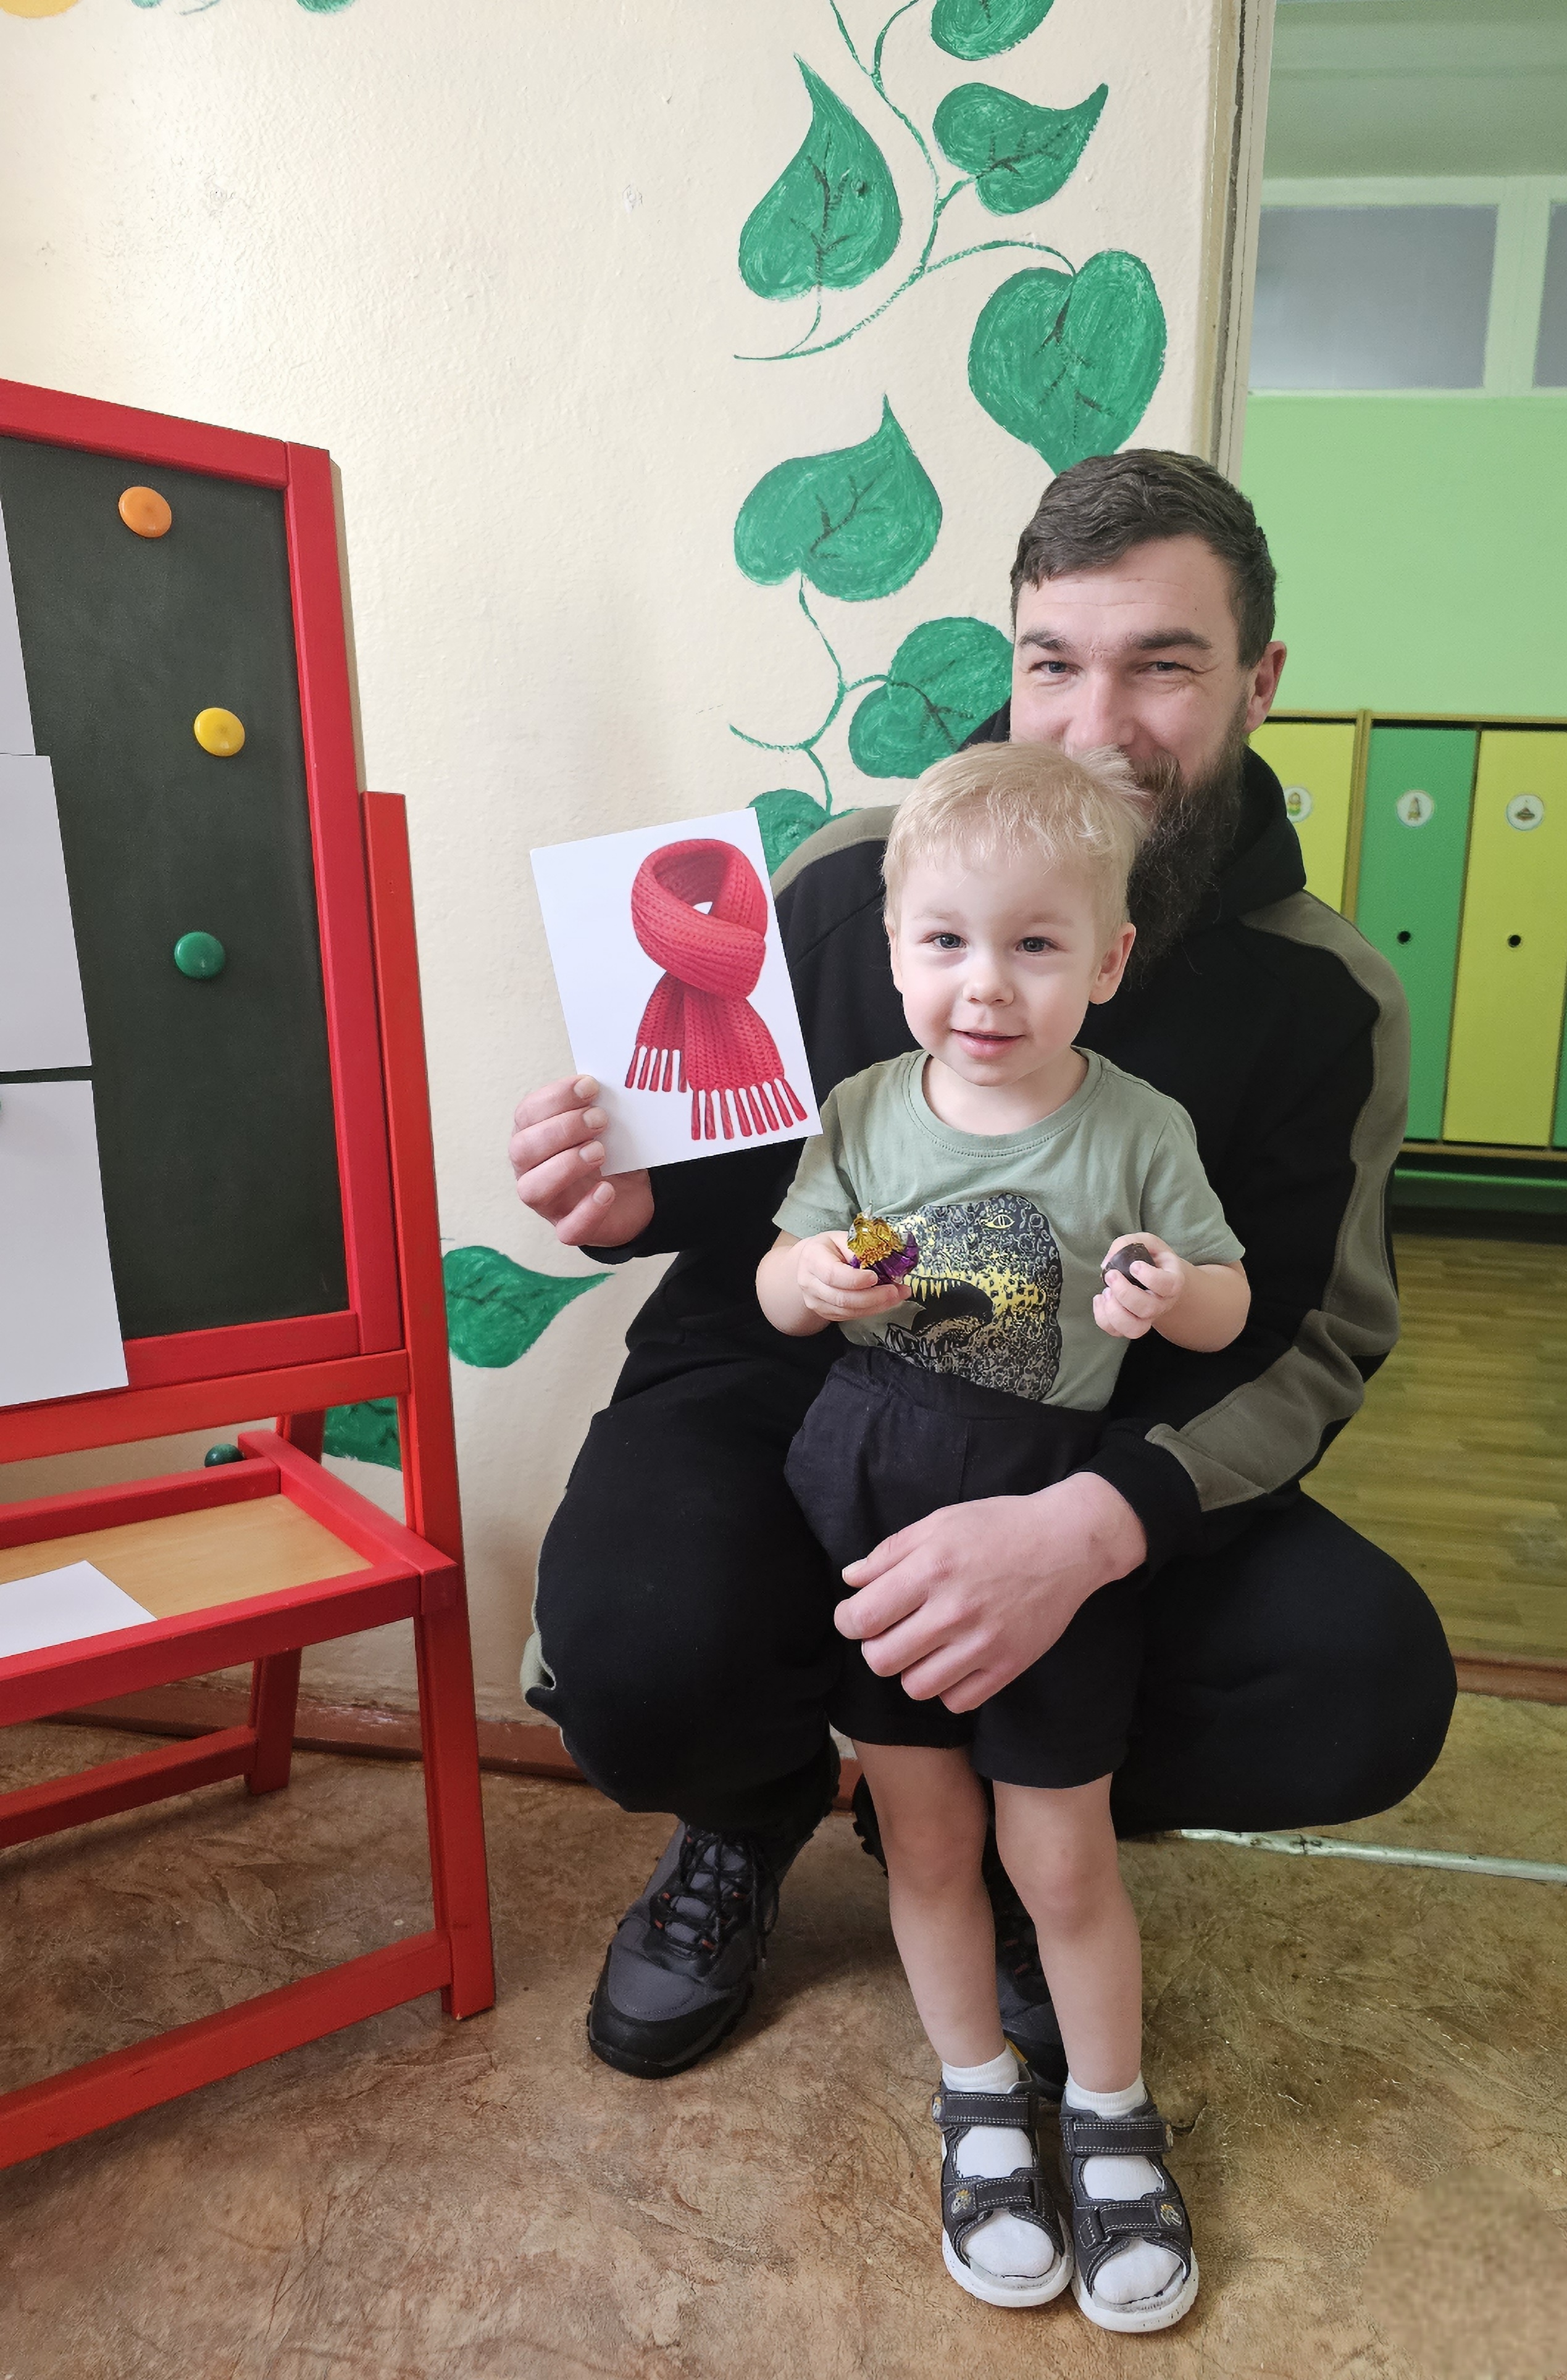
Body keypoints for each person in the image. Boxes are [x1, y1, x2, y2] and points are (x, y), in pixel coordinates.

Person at [509, 449, 1456, 2102]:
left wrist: (1087, 1531)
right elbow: (725, 1183)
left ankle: (996, 1810)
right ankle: (747, 1809)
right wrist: (618, 1197)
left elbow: (1306, 1341)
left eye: (1163, 666)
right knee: (634, 1645)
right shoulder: (848, 879)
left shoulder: (1325, 999)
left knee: (1361, 1681)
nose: (1097, 724)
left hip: (1084, 1433)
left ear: (1260, 683)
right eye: (1053, 663)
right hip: (795, 1390)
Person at [758, 741, 1248, 2327]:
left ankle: (1108, 2107)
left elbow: (1231, 1295)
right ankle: (976, 2090)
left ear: (1107, 960)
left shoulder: (1141, 1125)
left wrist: (1174, 1294)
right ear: (896, 948)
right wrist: (814, 1279)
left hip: (1047, 1505)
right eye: (949, 940)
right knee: (926, 1835)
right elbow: (776, 1281)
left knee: (1060, 1848)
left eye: (1036, 943)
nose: (987, 983)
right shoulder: (859, 1109)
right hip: (876, 1492)